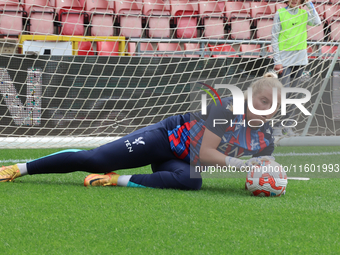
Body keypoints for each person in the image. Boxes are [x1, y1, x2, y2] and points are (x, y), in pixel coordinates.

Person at [0, 73, 283, 190]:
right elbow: (207, 153)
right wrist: (243, 164)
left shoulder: (265, 131)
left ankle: (115, 180)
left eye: (275, 106)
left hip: (182, 160)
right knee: (95, 159)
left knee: (191, 182)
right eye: (264, 101)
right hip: (163, 139)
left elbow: (265, 159)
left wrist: (265, 172)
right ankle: (18, 168)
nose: (268, 109)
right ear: (249, 98)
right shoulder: (227, 110)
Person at [271, 0, 321, 136]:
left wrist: (310, 4)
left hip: (300, 59)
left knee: (295, 94)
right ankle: (276, 126)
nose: (294, 0)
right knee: (284, 93)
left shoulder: (304, 13)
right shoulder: (280, 13)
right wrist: (278, 61)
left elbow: (317, 22)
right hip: (284, 59)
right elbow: (274, 38)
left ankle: (288, 126)